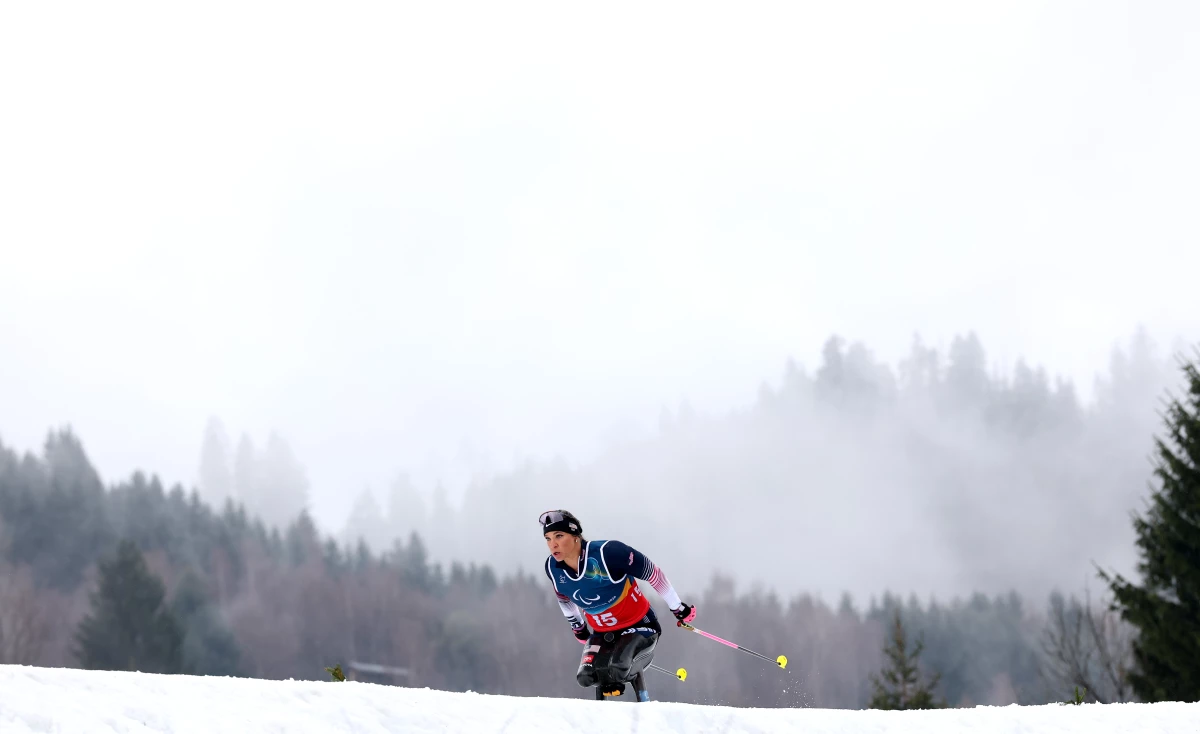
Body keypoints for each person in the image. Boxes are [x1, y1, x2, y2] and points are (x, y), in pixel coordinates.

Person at [540, 509, 696, 699]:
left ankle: (644, 710)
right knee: (587, 677)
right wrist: (578, 627)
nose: (552, 544)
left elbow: (653, 573)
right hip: (603, 632)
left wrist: (677, 607)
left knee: (618, 668)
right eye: (547, 538)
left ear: (576, 536)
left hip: (639, 625)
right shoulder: (552, 567)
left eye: (559, 536)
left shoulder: (608, 554)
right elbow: (563, 598)